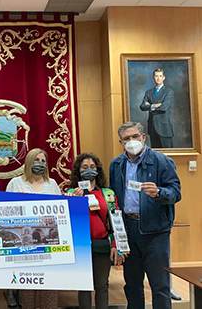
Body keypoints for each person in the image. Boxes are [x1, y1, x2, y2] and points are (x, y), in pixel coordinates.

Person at [109, 121, 181, 309]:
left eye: (134, 137)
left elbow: (176, 193)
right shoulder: (116, 164)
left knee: (160, 285)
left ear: (143, 137)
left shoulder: (161, 161)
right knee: (132, 284)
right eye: (126, 139)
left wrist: (159, 192)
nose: (131, 141)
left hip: (155, 230)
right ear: (120, 142)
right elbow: (114, 198)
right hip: (128, 230)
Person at [66, 152, 124, 309]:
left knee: (102, 285)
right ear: (78, 170)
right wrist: (73, 202)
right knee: (84, 286)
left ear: (97, 170)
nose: (89, 169)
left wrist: (116, 245)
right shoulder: (70, 193)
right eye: (85, 167)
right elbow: (67, 223)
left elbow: (115, 222)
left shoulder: (108, 193)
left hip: (102, 244)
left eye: (92, 167)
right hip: (80, 246)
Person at [6, 148, 61, 309]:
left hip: (49, 245)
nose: (40, 164)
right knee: (27, 292)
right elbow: (5, 211)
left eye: (43, 161)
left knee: (50, 290)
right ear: (29, 161)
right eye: (37, 160)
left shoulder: (53, 184)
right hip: (24, 246)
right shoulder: (15, 183)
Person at [139, 68, 174, 148]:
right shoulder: (148, 92)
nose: (158, 78)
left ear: (163, 77)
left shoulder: (168, 92)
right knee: (155, 156)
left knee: (167, 156)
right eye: (156, 76)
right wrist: (154, 105)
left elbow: (164, 107)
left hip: (164, 129)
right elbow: (142, 106)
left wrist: (149, 106)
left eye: (160, 76)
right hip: (152, 128)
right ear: (153, 78)